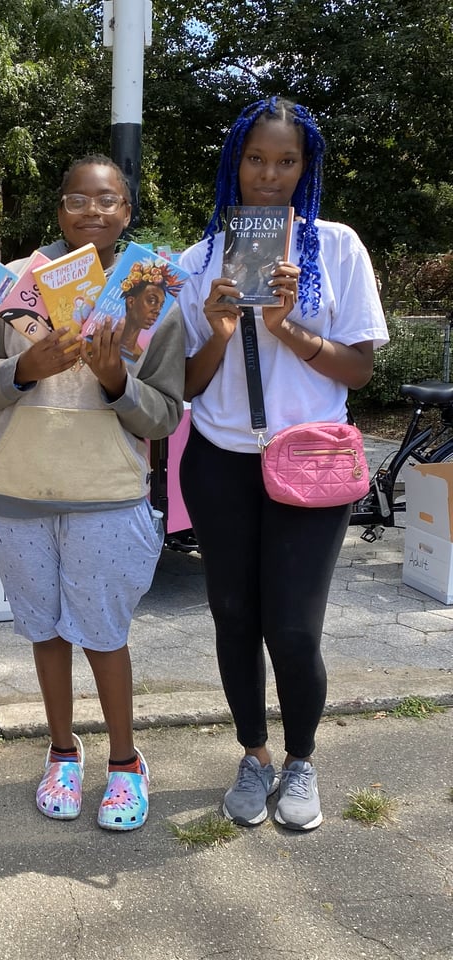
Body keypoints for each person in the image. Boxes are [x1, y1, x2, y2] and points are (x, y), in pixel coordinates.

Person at [175, 97, 389, 831]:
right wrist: (218, 326)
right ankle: (254, 754)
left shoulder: (337, 248)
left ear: (306, 168)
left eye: (286, 161)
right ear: (236, 160)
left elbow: (358, 372)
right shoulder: (197, 260)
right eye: (257, 159)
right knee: (233, 616)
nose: (270, 176)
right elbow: (186, 386)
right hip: (220, 460)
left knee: (293, 628)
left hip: (311, 465)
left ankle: (301, 760)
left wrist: (285, 327)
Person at [0, 155, 184, 831]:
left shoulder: (153, 293)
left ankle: (125, 763)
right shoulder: (9, 282)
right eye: (78, 200)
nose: (93, 212)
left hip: (108, 495)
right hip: (16, 489)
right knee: (45, 633)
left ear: (128, 211)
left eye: (108, 200)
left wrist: (117, 378)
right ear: (58, 208)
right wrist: (23, 370)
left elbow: (166, 415)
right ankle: (63, 751)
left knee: (103, 636)